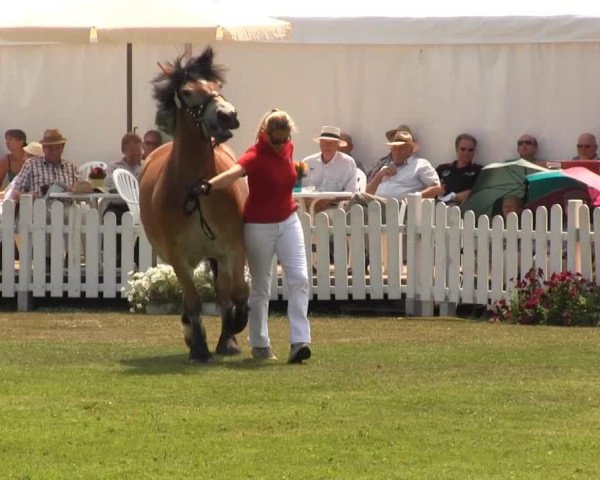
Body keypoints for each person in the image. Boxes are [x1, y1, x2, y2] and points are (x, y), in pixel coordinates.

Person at [198, 109, 311, 364]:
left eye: (286, 138)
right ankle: (260, 343)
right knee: (261, 286)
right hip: (259, 226)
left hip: (288, 220)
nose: (282, 144)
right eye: (277, 139)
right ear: (265, 133)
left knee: (300, 278)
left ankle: (300, 342)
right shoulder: (255, 154)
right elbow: (234, 173)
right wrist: (208, 185)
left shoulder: (288, 148)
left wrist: (285, 146)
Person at [348, 129, 443, 216]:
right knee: (358, 210)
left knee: (357, 197)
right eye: (394, 148)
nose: (397, 151)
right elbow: (368, 193)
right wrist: (379, 176)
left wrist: (414, 197)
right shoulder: (386, 167)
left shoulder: (420, 164)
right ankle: (341, 232)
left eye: (401, 148)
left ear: (410, 149)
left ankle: (335, 232)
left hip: (400, 208)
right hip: (378, 208)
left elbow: (436, 188)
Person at [4, 129, 79, 202]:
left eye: (55, 147)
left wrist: (74, 192)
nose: (51, 150)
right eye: (48, 147)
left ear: (62, 147)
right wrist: (27, 196)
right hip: (38, 211)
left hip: (67, 211)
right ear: (43, 148)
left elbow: (82, 196)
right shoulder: (31, 165)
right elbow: (13, 192)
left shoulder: (72, 168)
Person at [436, 133, 483, 205]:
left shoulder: (479, 170)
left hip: (464, 209)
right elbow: (429, 188)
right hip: (439, 207)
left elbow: (480, 192)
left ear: (474, 152)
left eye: (470, 150)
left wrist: (458, 196)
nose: (466, 152)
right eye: (463, 149)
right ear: (457, 149)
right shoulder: (442, 168)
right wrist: (437, 190)